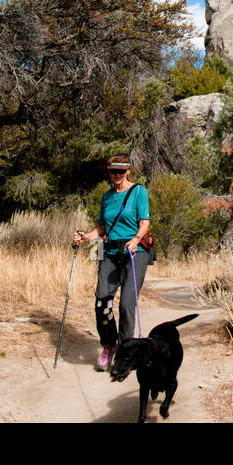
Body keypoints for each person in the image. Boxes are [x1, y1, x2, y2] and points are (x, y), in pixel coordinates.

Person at [74, 154, 151, 371]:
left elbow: (144, 222)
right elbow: (102, 227)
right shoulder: (107, 197)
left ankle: (125, 351)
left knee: (126, 303)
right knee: (102, 301)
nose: (117, 175)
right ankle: (108, 345)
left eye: (121, 171)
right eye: (113, 171)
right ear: (108, 172)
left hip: (134, 252)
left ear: (128, 171)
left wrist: (136, 240)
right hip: (108, 251)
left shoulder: (139, 192)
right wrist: (85, 237)